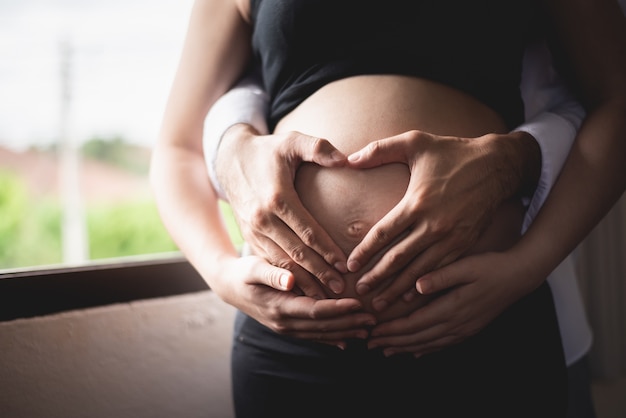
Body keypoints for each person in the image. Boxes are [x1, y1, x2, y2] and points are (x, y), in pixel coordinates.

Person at [150, 0, 626, 417]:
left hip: (479, 325)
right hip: (291, 347)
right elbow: (178, 148)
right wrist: (221, 274)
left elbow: (617, 100)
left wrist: (525, 267)